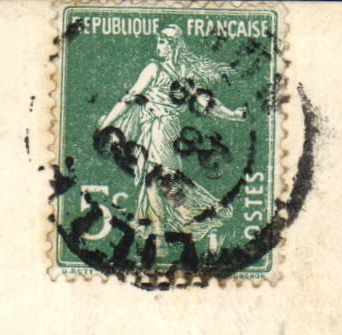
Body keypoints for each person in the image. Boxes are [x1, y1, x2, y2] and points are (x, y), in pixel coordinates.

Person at [95, 25, 248, 252]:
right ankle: (171, 233)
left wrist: (232, 115)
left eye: (165, 42)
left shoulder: (172, 72)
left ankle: (168, 235)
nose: (160, 46)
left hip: (161, 129)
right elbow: (130, 97)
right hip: (160, 129)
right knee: (159, 181)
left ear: (176, 45)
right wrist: (108, 122)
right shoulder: (157, 69)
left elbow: (206, 101)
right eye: (159, 42)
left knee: (158, 181)